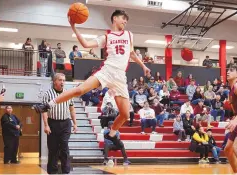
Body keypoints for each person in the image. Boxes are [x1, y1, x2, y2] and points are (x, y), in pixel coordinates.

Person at [34, 10, 150, 144]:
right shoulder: (106, 37)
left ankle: (111, 134)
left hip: (120, 77)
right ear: (115, 18)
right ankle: (48, 105)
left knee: (125, 114)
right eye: (123, 18)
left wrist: (143, 66)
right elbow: (86, 44)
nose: (125, 21)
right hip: (107, 71)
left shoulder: (129, 35)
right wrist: (74, 27)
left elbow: (132, 54)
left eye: (126, 20)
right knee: (79, 90)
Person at [41, 73, 77, 174]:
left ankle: (66, 171)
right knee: (53, 149)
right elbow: (44, 111)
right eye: (60, 80)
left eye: (64, 80)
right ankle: (52, 171)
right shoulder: (48, 94)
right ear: (55, 81)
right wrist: (46, 125)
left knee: (64, 146)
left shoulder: (68, 93)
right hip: (53, 123)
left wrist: (75, 123)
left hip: (65, 123)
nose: (62, 82)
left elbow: (72, 109)